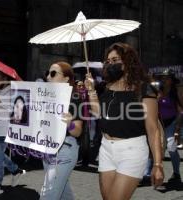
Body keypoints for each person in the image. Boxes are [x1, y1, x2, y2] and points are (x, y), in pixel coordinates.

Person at [85, 42, 164, 200]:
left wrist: (157, 164)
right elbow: (98, 113)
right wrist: (91, 91)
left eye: (115, 60)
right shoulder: (106, 87)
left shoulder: (143, 89)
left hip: (132, 150)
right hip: (106, 148)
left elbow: (153, 129)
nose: (110, 64)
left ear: (128, 62)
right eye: (108, 61)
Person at [40, 61, 83, 200]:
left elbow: (77, 132)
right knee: (63, 193)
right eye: (48, 73)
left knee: (48, 194)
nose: (48, 77)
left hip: (64, 150)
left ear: (66, 78)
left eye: (53, 74)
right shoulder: (44, 97)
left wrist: (69, 124)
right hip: (47, 148)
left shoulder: (74, 99)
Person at [143, 69, 182, 183]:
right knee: (153, 146)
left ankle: (176, 173)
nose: (164, 80)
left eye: (167, 78)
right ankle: (147, 173)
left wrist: (177, 129)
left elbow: (181, 111)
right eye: (163, 78)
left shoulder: (176, 92)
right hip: (158, 122)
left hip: (172, 123)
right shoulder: (156, 90)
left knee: (171, 147)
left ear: (171, 80)